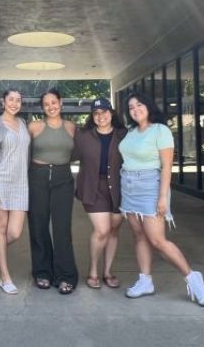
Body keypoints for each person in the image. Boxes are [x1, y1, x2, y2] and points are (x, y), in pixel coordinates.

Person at [119, 91, 204, 305]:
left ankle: (191, 276)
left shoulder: (161, 130)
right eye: (131, 107)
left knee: (157, 240)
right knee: (139, 236)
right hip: (128, 186)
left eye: (139, 104)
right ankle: (145, 281)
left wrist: (162, 198)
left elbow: (167, 166)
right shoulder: (131, 131)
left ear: (149, 106)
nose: (135, 110)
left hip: (150, 185)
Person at [27, 88, 79, 294]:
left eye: (54, 102)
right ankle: (42, 273)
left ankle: (66, 276)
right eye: (46, 104)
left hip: (63, 178)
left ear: (61, 103)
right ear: (42, 107)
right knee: (38, 227)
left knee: (62, 229)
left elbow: (81, 150)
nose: (51, 107)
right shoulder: (34, 127)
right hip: (37, 177)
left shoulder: (71, 127)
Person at [73, 97, 127, 290]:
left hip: (120, 188)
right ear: (92, 117)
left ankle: (107, 272)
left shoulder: (124, 135)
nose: (100, 116)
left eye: (104, 112)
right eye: (96, 113)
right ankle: (93, 270)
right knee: (102, 230)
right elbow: (67, 154)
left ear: (111, 113)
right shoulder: (83, 136)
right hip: (93, 188)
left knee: (113, 231)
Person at [0, 89, 30, 295]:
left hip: (20, 184)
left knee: (15, 233)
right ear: (3, 102)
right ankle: (5, 277)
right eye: (11, 99)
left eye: (18, 100)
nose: (14, 103)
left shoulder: (23, 124)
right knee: (1, 229)